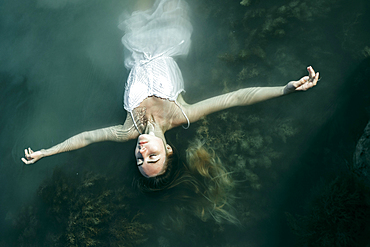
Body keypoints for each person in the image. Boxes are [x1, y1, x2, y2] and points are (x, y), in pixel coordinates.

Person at [22, 0, 319, 222]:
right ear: (168, 149)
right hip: (170, 35)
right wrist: (285, 89)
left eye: (141, 160)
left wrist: (47, 152)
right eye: (153, 156)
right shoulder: (181, 114)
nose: (143, 153)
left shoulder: (128, 129)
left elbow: (85, 139)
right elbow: (236, 98)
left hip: (134, 44)